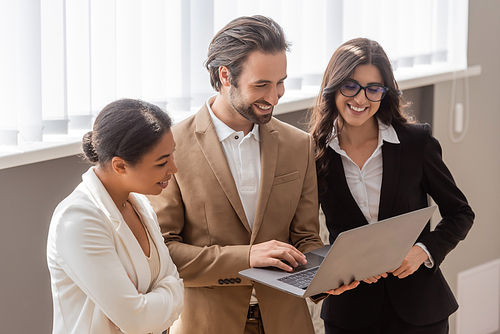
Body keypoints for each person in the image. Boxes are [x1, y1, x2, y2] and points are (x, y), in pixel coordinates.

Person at [147, 15, 356, 334]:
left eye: (280, 82)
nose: (273, 97)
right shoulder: (172, 146)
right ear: (225, 75)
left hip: (287, 324)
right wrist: (248, 257)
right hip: (207, 325)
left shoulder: (297, 145)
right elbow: (164, 254)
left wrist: (327, 277)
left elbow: (305, 238)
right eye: (261, 85)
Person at [308, 37, 475, 333]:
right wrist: (338, 270)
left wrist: (423, 250)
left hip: (421, 311)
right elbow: (304, 233)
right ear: (333, 86)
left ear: (384, 94)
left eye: (373, 89)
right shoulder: (313, 154)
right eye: (350, 86)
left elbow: (460, 213)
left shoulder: (415, 143)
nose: (361, 100)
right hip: (350, 314)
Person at [46, 99, 184, 334]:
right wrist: (168, 291)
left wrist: (154, 298)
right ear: (120, 166)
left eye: (172, 155)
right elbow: (137, 321)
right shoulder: (78, 220)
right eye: (162, 162)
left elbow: (172, 280)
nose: (174, 168)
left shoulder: (139, 203)